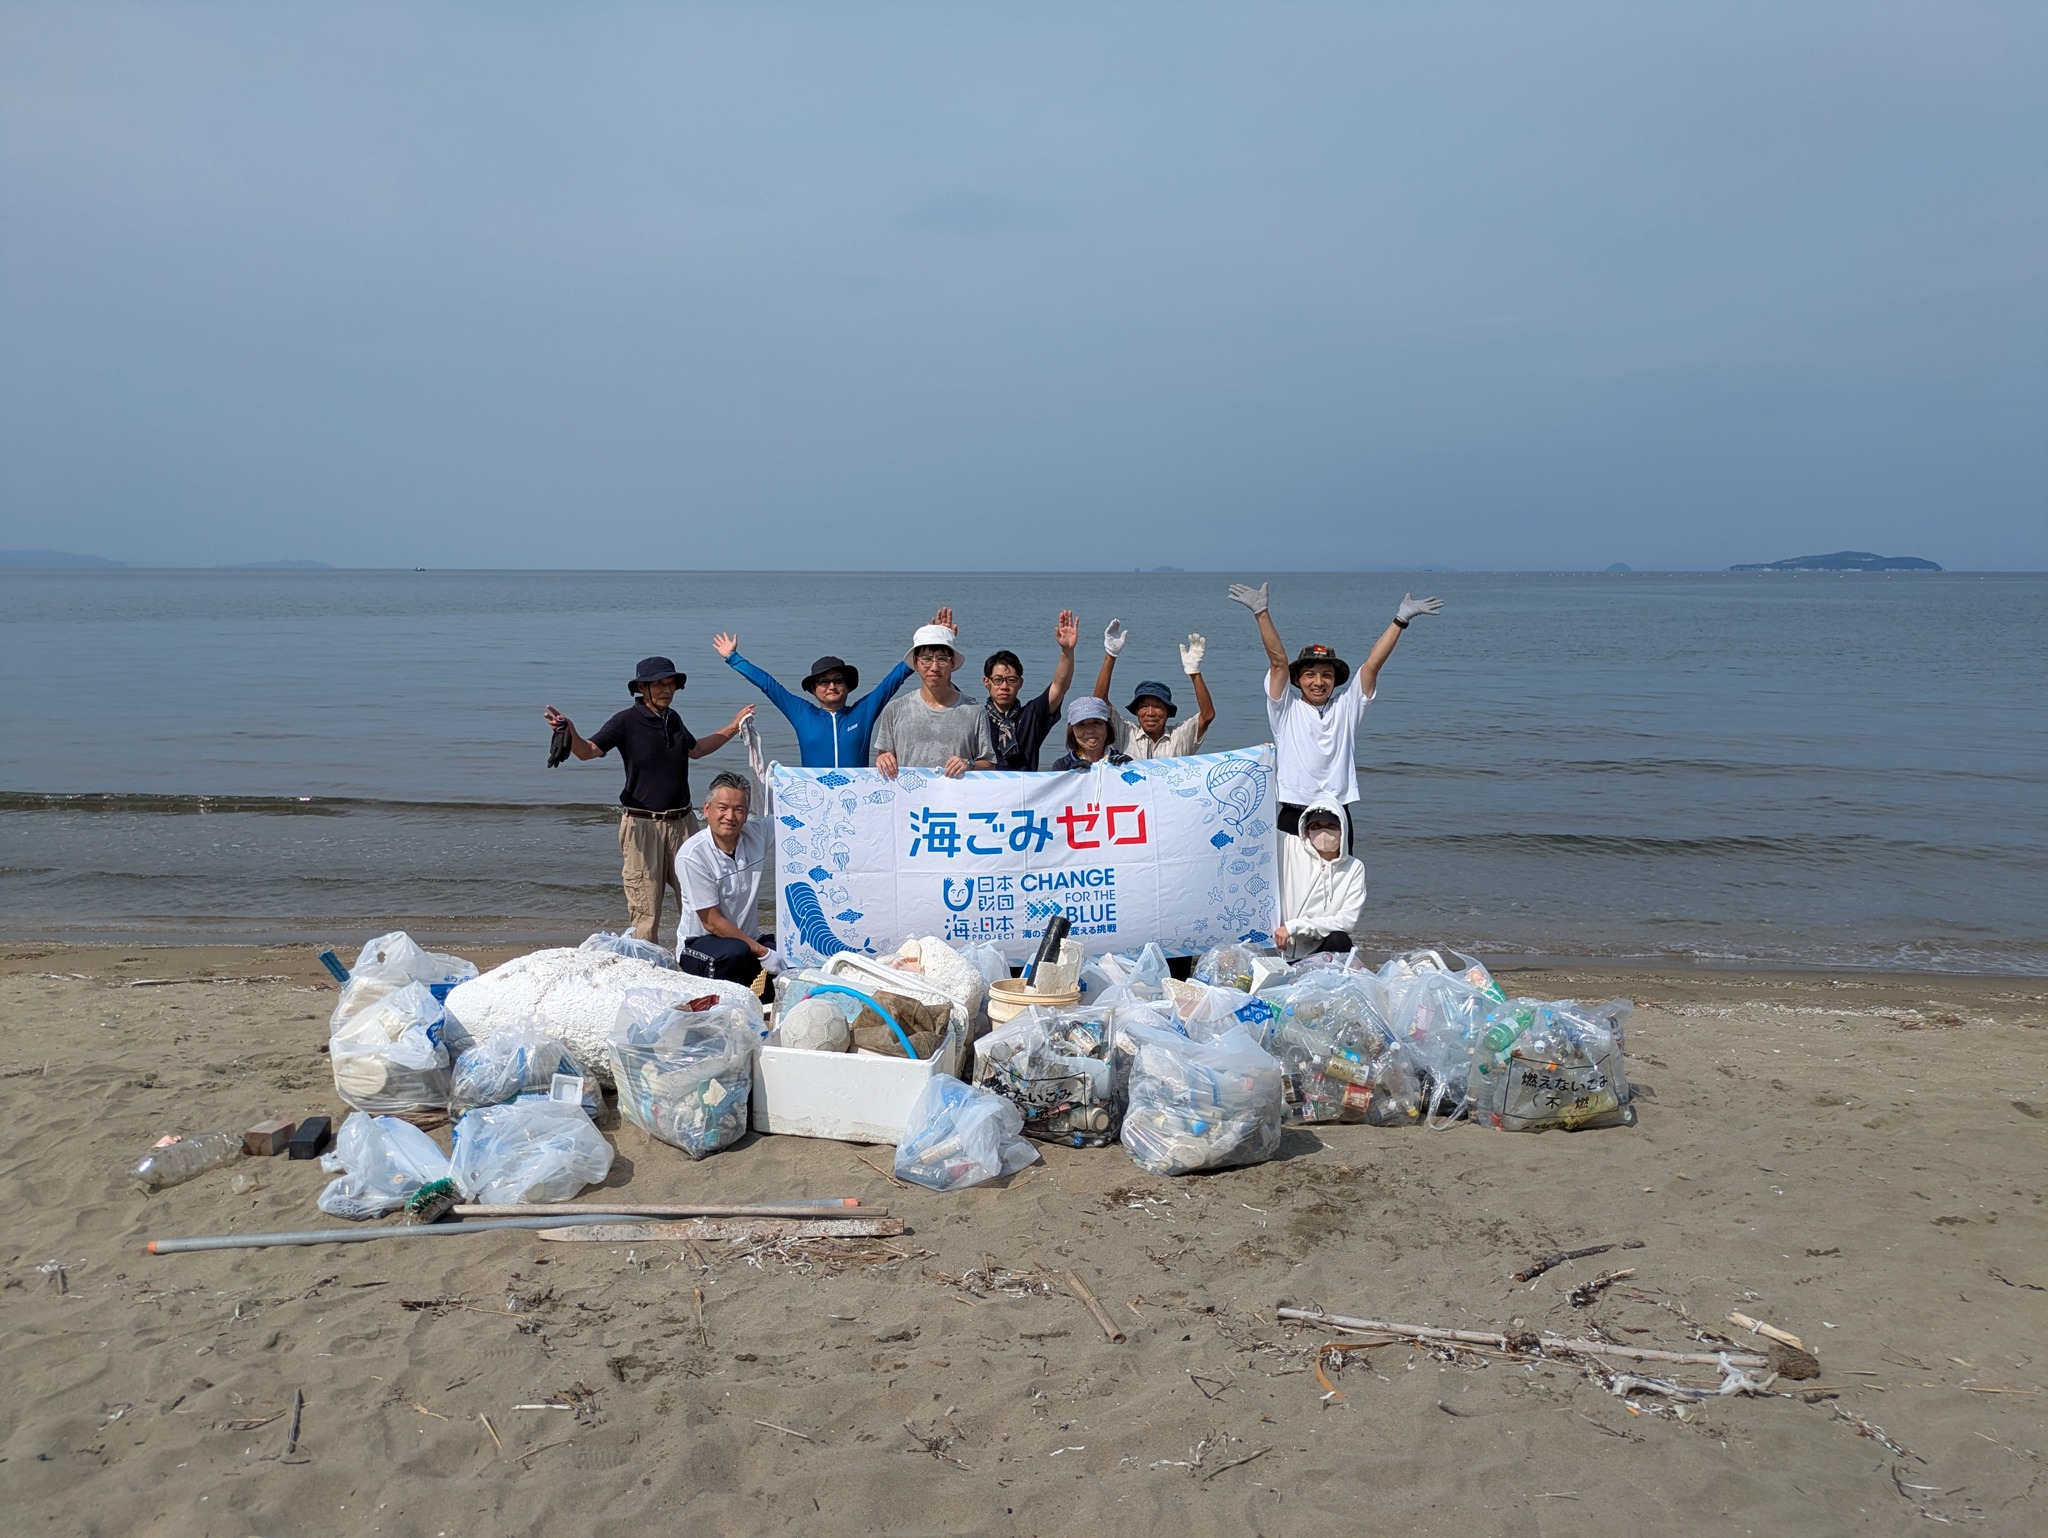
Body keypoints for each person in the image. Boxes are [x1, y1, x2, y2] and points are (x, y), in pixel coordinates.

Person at [543, 659, 753, 943]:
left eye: (671, 684)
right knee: (645, 913)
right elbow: (588, 751)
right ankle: (646, 966)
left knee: (701, 904)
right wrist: (571, 733)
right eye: (660, 684)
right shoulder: (625, 721)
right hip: (642, 826)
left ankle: (700, 962)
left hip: (684, 825)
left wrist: (733, 727)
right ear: (642, 688)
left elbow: (696, 750)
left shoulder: (673, 719)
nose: (667, 690)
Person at [1227, 580, 1443, 834]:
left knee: (1341, 864)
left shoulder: (1347, 707)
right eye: (1310, 674)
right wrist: (1261, 612)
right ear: (1297, 680)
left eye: (1326, 675)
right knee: (1289, 863)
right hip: (1294, 809)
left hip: (1337, 812)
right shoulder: (1284, 708)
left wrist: (1400, 620)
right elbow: (1278, 661)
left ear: (1335, 680)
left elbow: (1373, 665)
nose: (1318, 682)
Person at [711, 605, 954, 769]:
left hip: (856, 802)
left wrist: (933, 639)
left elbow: (894, 679)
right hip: (816, 803)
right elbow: (769, 685)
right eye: (823, 682)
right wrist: (733, 658)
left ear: (847, 686)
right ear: (813, 689)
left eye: (838, 680)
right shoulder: (802, 714)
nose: (831, 686)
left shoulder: (862, 713)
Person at [675, 769, 782, 986]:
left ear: (747, 814)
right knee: (735, 952)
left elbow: (796, 817)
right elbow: (712, 922)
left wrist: (783, 783)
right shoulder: (693, 855)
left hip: (747, 939)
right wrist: (762, 951)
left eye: (739, 810)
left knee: (791, 951)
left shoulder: (756, 835)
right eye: (722, 808)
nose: (730, 817)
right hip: (700, 944)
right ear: (707, 810)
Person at [872, 623, 994, 777]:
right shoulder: (895, 709)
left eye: (942, 659)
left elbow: (989, 763)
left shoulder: (975, 711)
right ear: (915, 662)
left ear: (952, 662)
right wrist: (882, 759)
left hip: (956, 792)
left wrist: (969, 764)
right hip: (910, 792)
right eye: (926, 659)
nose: (934, 667)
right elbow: (884, 756)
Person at [1089, 619, 1216, 759]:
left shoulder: (1180, 736)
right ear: (1136, 711)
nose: (1150, 713)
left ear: (1168, 712)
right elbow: (1099, 704)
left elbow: (1207, 715)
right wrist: (1110, 655)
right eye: (1144, 706)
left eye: (1157, 706)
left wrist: (1194, 672)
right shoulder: (1125, 733)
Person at [982, 609, 1079, 770]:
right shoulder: (977, 717)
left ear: (1020, 683)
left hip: (1026, 784)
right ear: (987, 682)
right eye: (998, 680)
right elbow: (944, 694)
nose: (1004, 686)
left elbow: (1059, 687)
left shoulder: (1032, 715)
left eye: (1011, 680)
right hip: (988, 785)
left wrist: (1067, 651)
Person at [1274, 798, 1367, 960]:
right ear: (1306, 831)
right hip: (1278, 947)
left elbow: (1346, 921)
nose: (1324, 832)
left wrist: (1295, 927)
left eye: (1331, 826)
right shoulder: (1288, 846)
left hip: (1316, 950)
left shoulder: (1354, 868)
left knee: (1340, 940)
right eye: (1316, 826)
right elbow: (1260, 824)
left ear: (1343, 829)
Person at [1047, 695, 1132, 771]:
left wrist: (1131, 767)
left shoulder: (1123, 763)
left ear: (1107, 727)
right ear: (1072, 731)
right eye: (1081, 724)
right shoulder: (1062, 766)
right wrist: (1071, 776)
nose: (1090, 731)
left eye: (1096, 722)